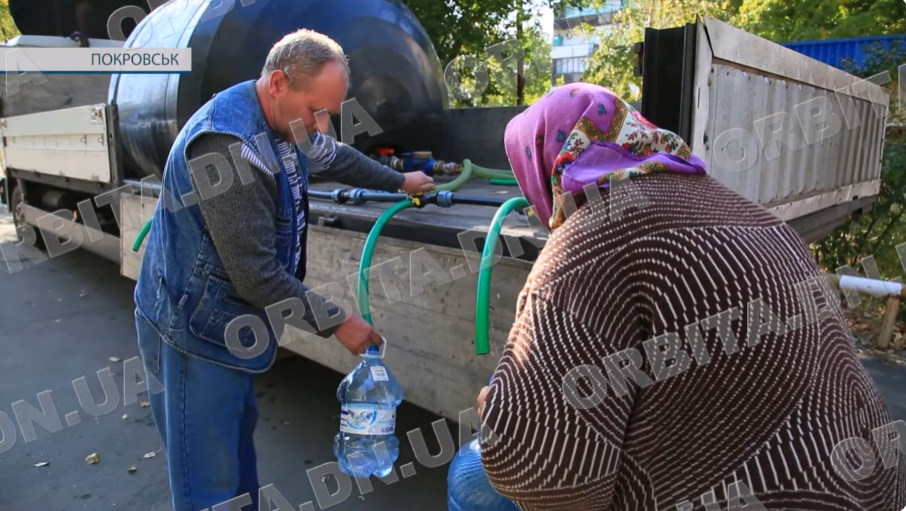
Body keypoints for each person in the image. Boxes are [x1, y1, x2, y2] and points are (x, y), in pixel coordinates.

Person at [465, 83, 905, 510]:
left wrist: (501, 415)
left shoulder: (588, 241)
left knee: (470, 483)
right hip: (877, 485)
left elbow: (549, 478)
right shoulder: (749, 212)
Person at [132, 29, 434, 511]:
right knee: (208, 487)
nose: (321, 126)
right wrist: (339, 322)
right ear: (278, 83)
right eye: (317, 110)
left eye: (329, 114)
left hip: (229, 325)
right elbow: (256, 276)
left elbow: (335, 157)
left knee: (237, 463)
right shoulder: (228, 147)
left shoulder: (290, 121)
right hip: (193, 331)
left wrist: (400, 180)